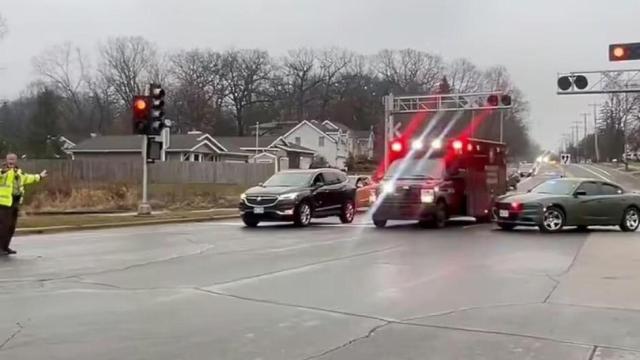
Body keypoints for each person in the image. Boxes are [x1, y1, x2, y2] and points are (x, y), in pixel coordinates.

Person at [0, 153, 47, 255]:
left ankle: (5, 247)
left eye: (13, 159)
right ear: (6, 160)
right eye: (9, 159)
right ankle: (0, 248)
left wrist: (39, 176)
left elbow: (28, 178)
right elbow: (2, 175)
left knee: (11, 227)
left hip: (15, 202)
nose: (11, 161)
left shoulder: (19, 173)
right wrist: (5, 171)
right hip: (3, 204)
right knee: (4, 226)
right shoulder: (2, 172)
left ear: (16, 160)